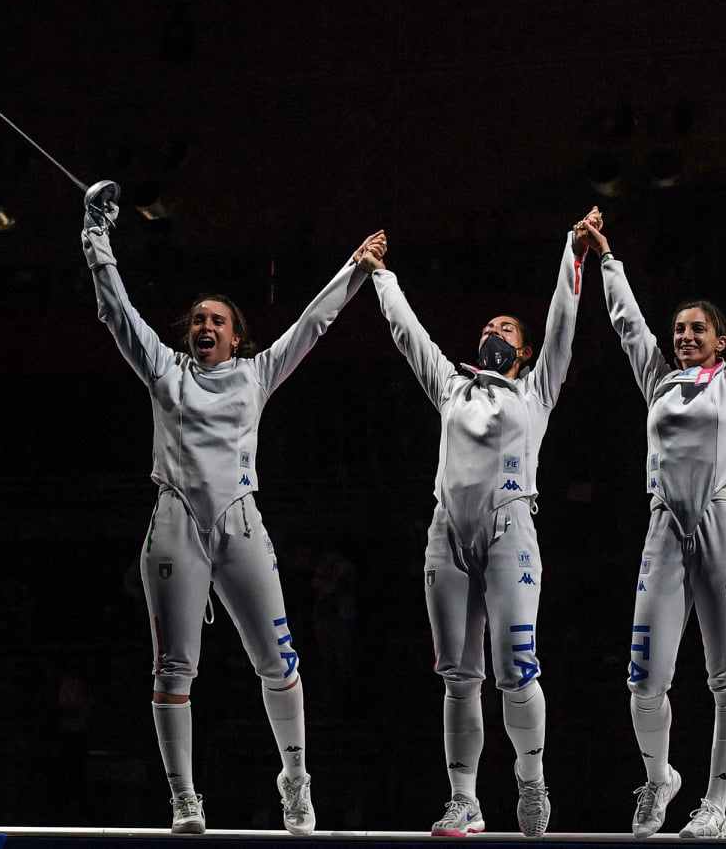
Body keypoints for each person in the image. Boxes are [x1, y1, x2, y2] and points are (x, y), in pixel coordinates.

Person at [82, 182, 372, 835]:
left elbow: (313, 325)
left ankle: (295, 778)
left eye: (218, 321)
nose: (205, 326)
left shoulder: (257, 374)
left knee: (279, 658)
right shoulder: (164, 370)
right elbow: (116, 311)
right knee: (173, 667)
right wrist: (96, 239)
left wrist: (354, 270)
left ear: (237, 337)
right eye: (198, 320)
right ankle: (184, 797)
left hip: (240, 523)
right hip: (174, 525)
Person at [576, 194, 726, 839]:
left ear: (721, 339)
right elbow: (628, 326)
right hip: (662, 532)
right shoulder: (657, 380)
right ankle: (659, 778)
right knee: (643, 683)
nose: (683, 337)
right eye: (678, 329)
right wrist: (607, 259)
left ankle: (715, 804)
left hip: (720, 527)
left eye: (696, 329)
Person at [359, 220, 585, 838]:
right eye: (487, 327)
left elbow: (562, 322)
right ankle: (465, 800)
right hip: (447, 536)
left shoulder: (536, 393)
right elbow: (410, 337)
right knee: (459, 676)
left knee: (517, 668)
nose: (492, 332)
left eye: (506, 329)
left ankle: (531, 782)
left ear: (526, 352)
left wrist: (573, 252)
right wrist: (381, 275)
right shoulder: (452, 389)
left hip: (511, 533)